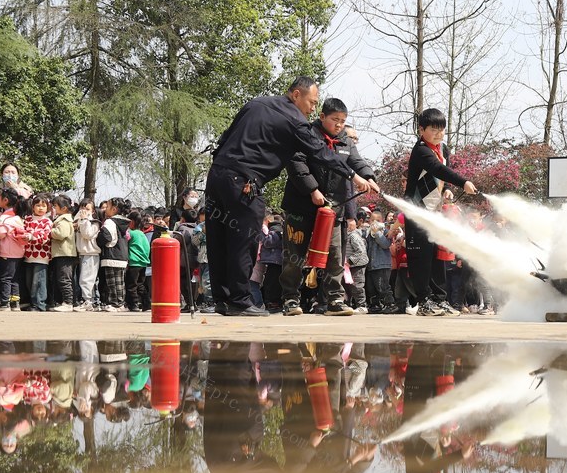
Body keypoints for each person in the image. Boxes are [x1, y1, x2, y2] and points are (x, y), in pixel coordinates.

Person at [203, 77, 375, 317]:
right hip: (244, 182)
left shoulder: (256, 104)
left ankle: (222, 299)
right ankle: (240, 301)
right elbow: (318, 152)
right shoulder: (294, 119)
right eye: (312, 102)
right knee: (244, 241)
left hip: (217, 176)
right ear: (296, 95)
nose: (313, 108)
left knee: (219, 238)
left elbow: (226, 136)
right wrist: (353, 176)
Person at [279, 96, 378, 317]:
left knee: (335, 255)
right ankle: (290, 298)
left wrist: (369, 176)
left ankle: (335, 299)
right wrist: (312, 189)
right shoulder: (306, 134)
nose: (339, 125)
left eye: (343, 120)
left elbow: (357, 162)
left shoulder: (346, 141)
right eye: (335, 119)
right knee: (295, 254)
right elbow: (296, 163)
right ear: (322, 116)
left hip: (334, 209)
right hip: (302, 206)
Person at [404, 108, 477, 316]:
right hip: (417, 211)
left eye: (442, 130)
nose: (439, 134)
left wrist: (447, 190)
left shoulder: (442, 149)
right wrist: (463, 182)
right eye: (434, 130)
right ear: (421, 129)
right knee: (421, 258)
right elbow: (437, 169)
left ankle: (439, 298)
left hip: (434, 212)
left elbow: (442, 177)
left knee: (438, 258)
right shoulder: (421, 150)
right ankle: (424, 301)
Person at [0, 188, 26, 311]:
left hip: (8, 252)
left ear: (5, 200)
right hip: (18, 252)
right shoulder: (17, 217)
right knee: (15, 278)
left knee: (5, 278)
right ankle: (15, 303)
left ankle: (4, 302)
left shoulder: (5, 217)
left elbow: (0, 234)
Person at [97, 197, 131, 312]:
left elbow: (106, 236)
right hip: (121, 255)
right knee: (119, 282)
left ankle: (115, 303)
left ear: (114, 209)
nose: (105, 209)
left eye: (107, 206)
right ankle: (120, 303)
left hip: (111, 255)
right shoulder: (123, 222)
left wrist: (98, 239)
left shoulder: (110, 221)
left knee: (112, 282)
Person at [23, 194, 52, 312]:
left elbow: (45, 237)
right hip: (28, 255)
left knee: (39, 282)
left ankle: (40, 304)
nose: (40, 208)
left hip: (42, 256)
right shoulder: (27, 220)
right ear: (33, 206)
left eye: (43, 206)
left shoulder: (47, 221)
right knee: (29, 282)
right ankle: (32, 302)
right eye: (38, 205)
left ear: (47, 208)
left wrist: (31, 237)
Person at [49, 195, 77, 312]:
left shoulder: (64, 220)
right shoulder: (62, 219)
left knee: (64, 279)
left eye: (55, 206)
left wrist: (50, 231)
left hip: (65, 254)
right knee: (62, 278)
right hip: (62, 253)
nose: (53, 208)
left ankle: (68, 302)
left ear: (64, 208)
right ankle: (65, 301)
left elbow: (61, 234)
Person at [73, 199, 101, 311]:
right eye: (82, 208)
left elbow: (87, 234)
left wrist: (84, 219)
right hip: (82, 253)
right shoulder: (79, 220)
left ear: (93, 211)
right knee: (84, 278)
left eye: (87, 209)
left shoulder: (94, 222)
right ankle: (89, 301)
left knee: (86, 279)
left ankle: (87, 301)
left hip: (91, 253)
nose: (84, 211)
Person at [125, 210, 150, 312]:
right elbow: (147, 248)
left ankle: (134, 304)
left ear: (131, 222)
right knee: (140, 284)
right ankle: (146, 302)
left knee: (131, 285)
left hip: (134, 263)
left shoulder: (130, 233)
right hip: (143, 263)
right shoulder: (142, 234)